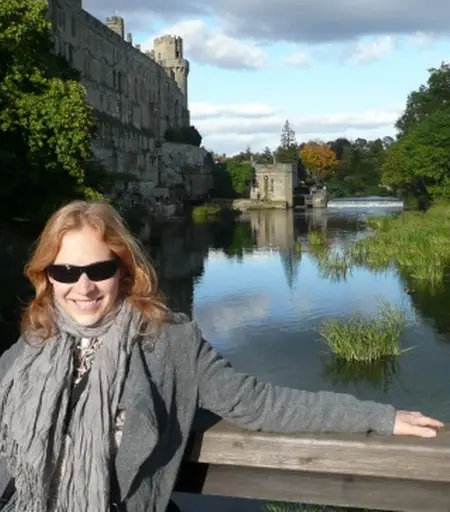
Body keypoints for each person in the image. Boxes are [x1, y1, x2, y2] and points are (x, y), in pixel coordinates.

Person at [0, 200, 443, 512]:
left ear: (124, 270)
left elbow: (260, 404)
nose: (83, 286)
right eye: (65, 271)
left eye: (99, 269)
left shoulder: (168, 341)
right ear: (47, 276)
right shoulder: (35, 344)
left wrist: (379, 417)